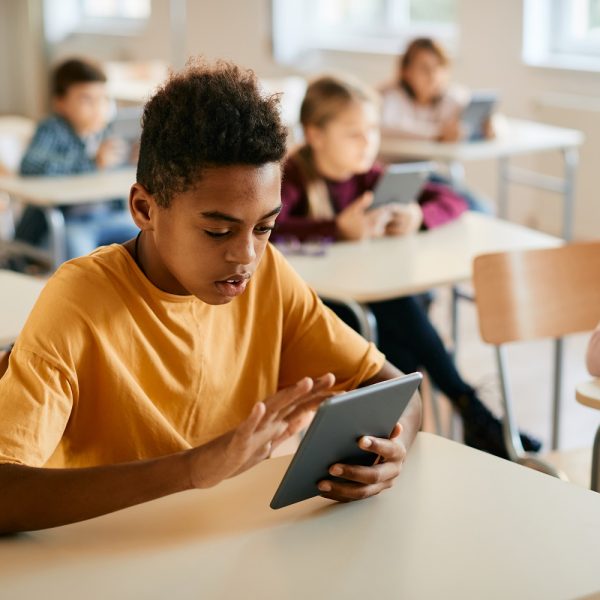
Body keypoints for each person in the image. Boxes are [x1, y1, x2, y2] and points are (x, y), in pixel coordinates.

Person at [0, 59, 421, 534]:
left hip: (223, 540)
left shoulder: (268, 277)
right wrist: (193, 470)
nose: (245, 255)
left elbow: (395, 390)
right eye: (217, 230)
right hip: (102, 551)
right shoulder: (79, 300)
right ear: (144, 208)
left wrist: (387, 450)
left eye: (264, 227)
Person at [276, 74, 541, 459]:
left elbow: (451, 198)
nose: (369, 143)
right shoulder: (291, 177)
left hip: (374, 309)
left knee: (402, 321)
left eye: (372, 130)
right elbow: (271, 226)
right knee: (401, 313)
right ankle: (470, 410)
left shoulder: (369, 177)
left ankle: (412, 430)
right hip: (324, 314)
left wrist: (417, 214)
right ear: (315, 135)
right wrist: (336, 229)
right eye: (354, 133)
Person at [14, 58, 139, 262]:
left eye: (103, 99)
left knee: (148, 238)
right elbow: (31, 165)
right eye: (86, 100)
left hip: (109, 216)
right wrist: (90, 161)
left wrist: (133, 160)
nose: (97, 107)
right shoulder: (52, 129)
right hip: (69, 222)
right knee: (80, 257)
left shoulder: (110, 132)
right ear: (60, 103)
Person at [379, 37, 493, 212]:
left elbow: (487, 117)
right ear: (405, 71)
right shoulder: (389, 96)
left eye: (439, 67)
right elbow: (387, 127)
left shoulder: (451, 96)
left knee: (482, 208)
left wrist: (488, 126)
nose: (433, 75)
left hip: (426, 175)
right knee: (467, 208)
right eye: (424, 68)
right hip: (390, 176)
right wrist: (438, 134)